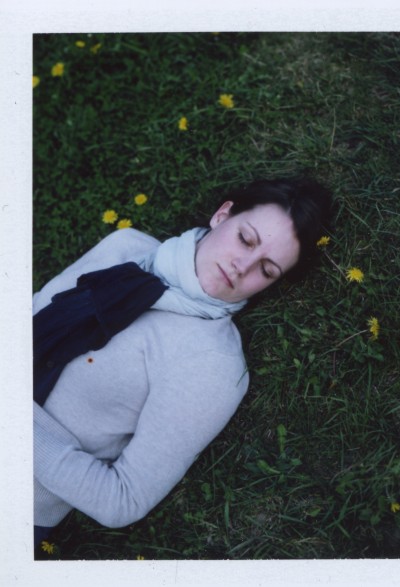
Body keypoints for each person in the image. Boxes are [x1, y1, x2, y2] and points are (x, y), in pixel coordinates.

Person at [33, 177, 331, 549]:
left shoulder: (211, 363)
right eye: (245, 239)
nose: (242, 267)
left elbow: (123, 500)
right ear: (222, 215)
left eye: (267, 270)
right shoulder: (125, 246)